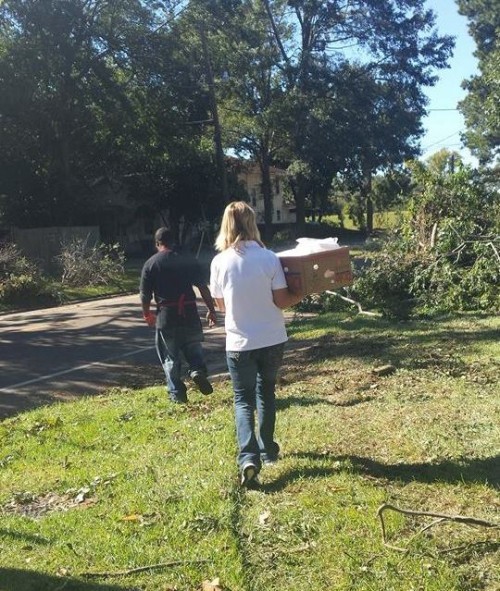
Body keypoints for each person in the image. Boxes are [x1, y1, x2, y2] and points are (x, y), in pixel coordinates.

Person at [210, 202, 303, 488]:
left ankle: (248, 457)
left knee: (242, 399)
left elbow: (221, 304)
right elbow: (282, 300)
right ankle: (268, 450)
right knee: (267, 393)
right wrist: (302, 293)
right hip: (272, 339)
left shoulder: (219, 262)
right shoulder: (268, 258)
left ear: (226, 225)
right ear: (252, 223)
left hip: (239, 342)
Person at [140, 226, 218, 404]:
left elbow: (145, 295)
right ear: (173, 241)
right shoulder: (186, 260)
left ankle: (177, 395)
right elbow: (203, 287)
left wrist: (147, 314)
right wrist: (211, 310)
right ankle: (197, 370)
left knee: (170, 358)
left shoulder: (151, 264)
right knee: (193, 348)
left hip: (167, 317)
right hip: (189, 314)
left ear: (157, 243)